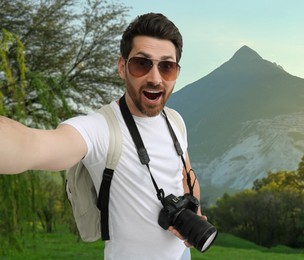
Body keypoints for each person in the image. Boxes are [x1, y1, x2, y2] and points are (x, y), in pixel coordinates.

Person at [0, 13, 203, 260]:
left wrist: (193, 214)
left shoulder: (175, 121)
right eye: (142, 63)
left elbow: (187, 177)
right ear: (122, 67)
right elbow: (28, 145)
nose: (155, 78)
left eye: (167, 66)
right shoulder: (101, 129)